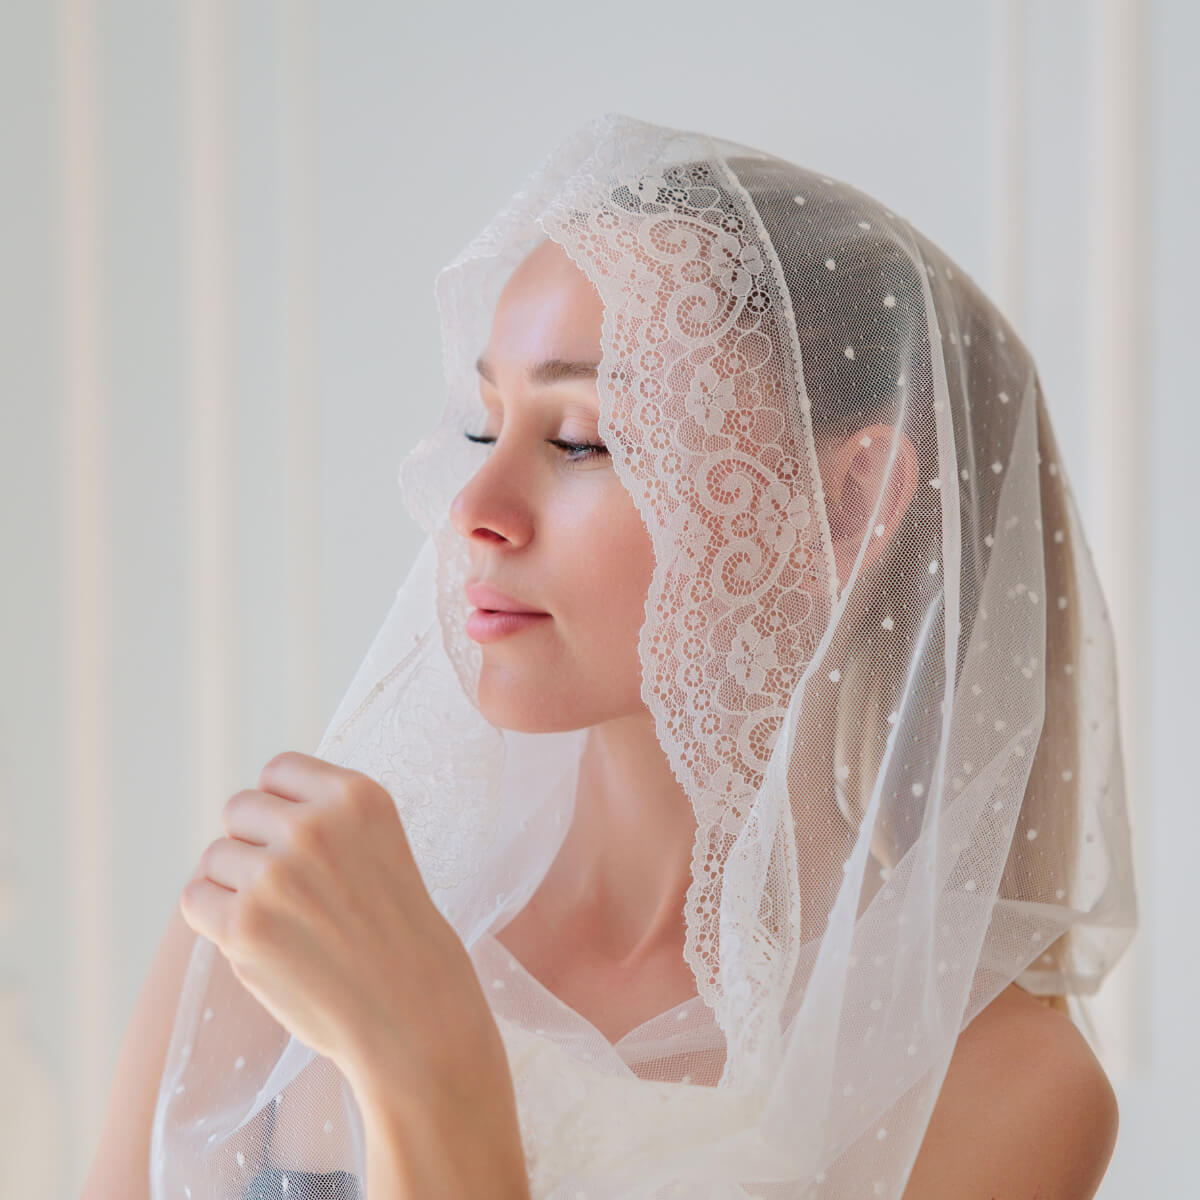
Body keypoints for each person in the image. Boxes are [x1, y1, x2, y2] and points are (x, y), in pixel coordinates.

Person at [86, 113, 1137, 1200]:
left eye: (586, 438)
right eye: (487, 427)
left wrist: (429, 1067)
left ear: (846, 507)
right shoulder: (295, 901)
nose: (475, 510)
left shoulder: (1003, 1088)